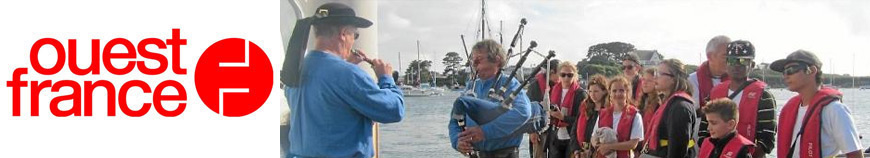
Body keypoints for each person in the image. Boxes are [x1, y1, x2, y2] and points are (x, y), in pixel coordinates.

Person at [284, 3, 405, 158]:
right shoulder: (347, 74)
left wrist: (346, 66)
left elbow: (324, 108)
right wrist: (386, 78)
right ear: (343, 33)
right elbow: (394, 111)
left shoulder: (296, 69)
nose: (353, 41)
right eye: (355, 35)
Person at [770, 50, 864, 158]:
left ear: (812, 70)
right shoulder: (789, 109)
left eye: (791, 70)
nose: (785, 76)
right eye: (784, 72)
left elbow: (855, 154)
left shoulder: (835, 110)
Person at [449, 39, 532, 158]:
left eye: (479, 59)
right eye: (473, 60)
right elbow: (455, 120)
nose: (474, 64)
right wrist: (457, 141)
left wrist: (485, 131)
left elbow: (523, 112)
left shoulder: (509, 84)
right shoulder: (471, 87)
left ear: (497, 60)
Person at [704, 40, 776, 158]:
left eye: (743, 61)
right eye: (732, 60)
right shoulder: (715, 93)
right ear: (726, 63)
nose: (737, 65)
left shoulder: (764, 96)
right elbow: (704, 129)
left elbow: (767, 138)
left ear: (752, 65)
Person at [642, 59, 697, 158]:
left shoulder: (680, 107)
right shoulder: (670, 103)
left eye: (659, 74)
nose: (655, 78)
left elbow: (678, 150)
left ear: (674, 79)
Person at [690, 36, 730, 149]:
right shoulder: (691, 81)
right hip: (699, 142)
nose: (730, 60)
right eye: (726, 56)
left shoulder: (737, 82)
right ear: (710, 56)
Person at [592, 76, 644, 158]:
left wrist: (609, 146)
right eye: (614, 91)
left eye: (621, 90)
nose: (618, 94)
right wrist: (598, 146)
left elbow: (633, 144)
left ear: (627, 92)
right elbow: (593, 137)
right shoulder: (602, 113)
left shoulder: (635, 115)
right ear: (610, 93)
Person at [548, 61, 588, 158]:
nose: (566, 78)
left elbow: (583, 120)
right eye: (563, 75)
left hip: (572, 138)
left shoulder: (581, 94)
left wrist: (563, 117)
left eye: (570, 75)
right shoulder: (553, 90)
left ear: (575, 76)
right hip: (555, 136)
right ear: (559, 76)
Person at [528, 59, 562, 158]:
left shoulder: (560, 86)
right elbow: (528, 109)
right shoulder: (534, 86)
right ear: (552, 72)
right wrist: (532, 131)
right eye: (560, 74)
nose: (562, 77)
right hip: (539, 129)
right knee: (538, 155)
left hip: (554, 128)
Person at [574, 75, 610, 158]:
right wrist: (576, 151)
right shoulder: (585, 107)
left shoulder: (609, 110)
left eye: (596, 91)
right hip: (583, 150)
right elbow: (575, 130)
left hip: (601, 152)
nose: (592, 94)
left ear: (604, 91)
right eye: (590, 91)